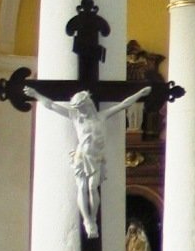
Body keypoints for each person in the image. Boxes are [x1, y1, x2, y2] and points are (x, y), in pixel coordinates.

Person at [26, 84, 151, 238]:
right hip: (82, 156)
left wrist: (140, 93)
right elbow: (51, 105)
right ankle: (88, 220)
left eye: (81, 108)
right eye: (78, 108)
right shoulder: (75, 117)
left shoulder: (101, 116)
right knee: (82, 187)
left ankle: (93, 218)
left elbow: (123, 104)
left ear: (88, 104)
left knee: (93, 187)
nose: (80, 111)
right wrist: (35, 94)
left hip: (96, 157)